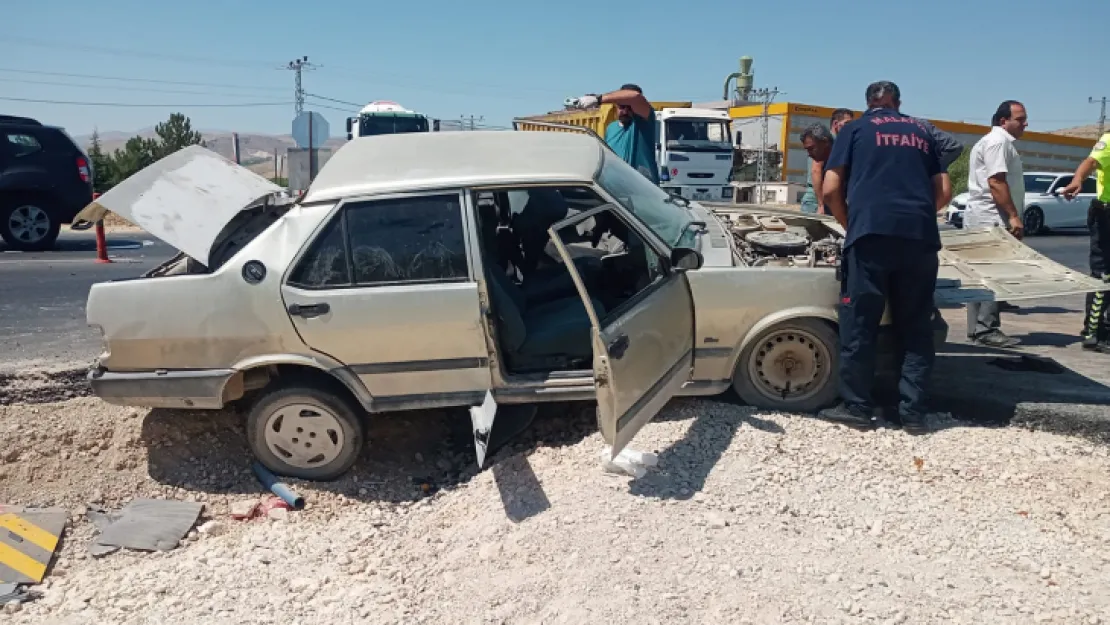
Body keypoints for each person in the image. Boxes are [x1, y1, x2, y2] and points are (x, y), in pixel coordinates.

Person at [819, 80, 947, 435]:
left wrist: (852, 223)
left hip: (870, 236)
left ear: (868, 103)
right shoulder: (923, 131)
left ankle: (857, 408)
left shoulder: (854, 129)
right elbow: (944, 191)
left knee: (861, 323)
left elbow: (830, 189)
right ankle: (914, 415)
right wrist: (915, 217)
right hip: (920, 239)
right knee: (916, 326)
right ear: (898, 103)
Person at [963, 100, 1029, 348]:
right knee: (993, 274)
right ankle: (986, 329)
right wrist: (1013, 215)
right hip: (992, 217)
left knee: (978, 275)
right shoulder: (998, 142)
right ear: (1004, 121)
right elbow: (996, 182)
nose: (1025, 124)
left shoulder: (994, 142)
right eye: (1020, 119)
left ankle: (977, 329)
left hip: (985, 216)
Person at [1060, 130, 1110, 352]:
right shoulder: (1109, 141)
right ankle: (1092, 334)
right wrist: (1078, 179)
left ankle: (1104, 329)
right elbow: (1089, 162)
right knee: (1103, 275)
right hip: (1106, 214)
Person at [574, 84, 659, 184]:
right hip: (616, 190)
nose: (625, 111)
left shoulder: (644, 123)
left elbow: (635, 97)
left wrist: (598, 99)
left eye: (630, 107)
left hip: (642, 189)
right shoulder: (611, 128)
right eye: (622, 106)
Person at [798, 124, 835, 214]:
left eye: (811, 149)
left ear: (825, 142)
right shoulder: (819, 156)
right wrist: (821, 205)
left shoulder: (840, 147)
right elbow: (815, 170)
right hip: (817, 201)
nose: (809, 154)